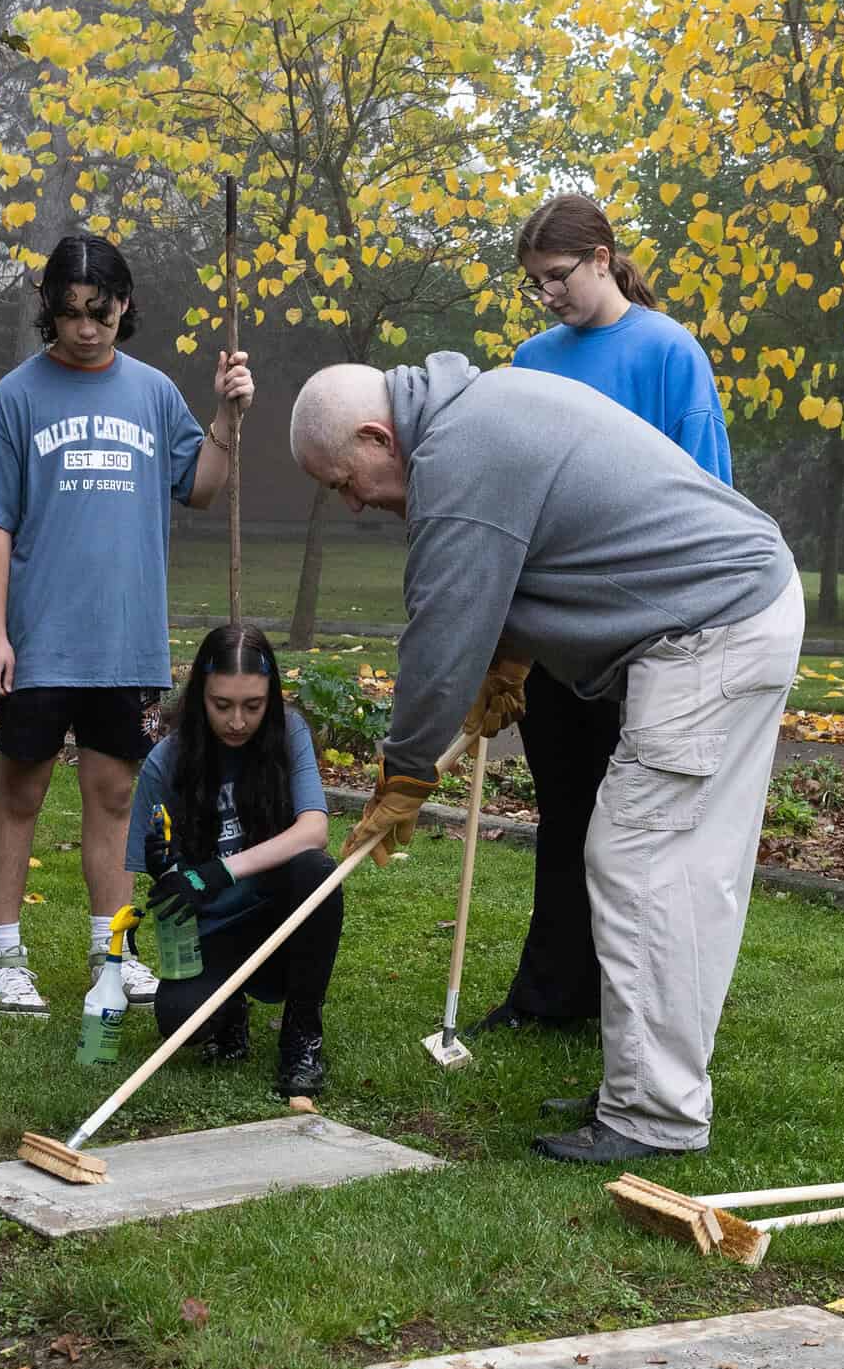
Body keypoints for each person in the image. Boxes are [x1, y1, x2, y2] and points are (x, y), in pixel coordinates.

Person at [287, 353, 803, 1164]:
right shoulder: (479, 410)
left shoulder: (457, 452)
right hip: (732, 613)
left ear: (378, 436)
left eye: (344, 482)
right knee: (669, 870)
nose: (354, 504)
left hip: (714, 629)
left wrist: (406, 772)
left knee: (645, 866)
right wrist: (510, 664)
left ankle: (655, 1116)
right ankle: (644, 1087)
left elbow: (441, 630)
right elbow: (546, 553)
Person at [0, 233, 251, 1019]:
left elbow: (202, 487)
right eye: (70, 313)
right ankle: (1, 959)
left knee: (117, 797)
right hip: (40, 639)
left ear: (125, 305)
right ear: (47, 309)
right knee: (20, 791)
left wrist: (227, 415)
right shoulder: (15, 397)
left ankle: (110, 955)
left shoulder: (154, 393)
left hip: (127, 639)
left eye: (101, 311)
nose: (86, 328)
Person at [479, 194, 736, 1039]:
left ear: (601, 257)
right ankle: (551, 995)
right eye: (534, 283)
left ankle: (634, 1006)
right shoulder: (531, 361)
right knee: (566, 813)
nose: (547, 294)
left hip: (645, 634)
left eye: (558, 276)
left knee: (633, 829)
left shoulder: (669, 352)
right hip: (557, 634)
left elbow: (706, 498)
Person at [126, 624, 337, 1098]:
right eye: (222, 705)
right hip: (215, 931)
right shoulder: (166, 761)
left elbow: (314, 830)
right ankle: (229, 1011)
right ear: (200, 696)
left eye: (252, 706)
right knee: (180, 1021)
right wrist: (167, 870)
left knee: (317, 871)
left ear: (271, 698)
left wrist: (221, 870)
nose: (237, 721)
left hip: (280, 919)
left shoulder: (290, 734)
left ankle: (302, 1038)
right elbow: (167, 877)